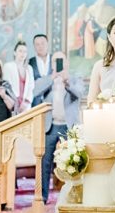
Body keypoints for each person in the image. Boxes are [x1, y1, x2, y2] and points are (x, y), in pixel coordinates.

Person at [35, 51, 83, 204]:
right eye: (55, 61)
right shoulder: (46, 80)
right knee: (45, 162)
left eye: (61, 61)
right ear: (52, 64)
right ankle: (42, 196)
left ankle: (75, 193)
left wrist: (66, 82)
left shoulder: (74, 79)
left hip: (69, 126)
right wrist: (52, 78)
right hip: (50, 126)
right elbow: (36, 91)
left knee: (73, 161)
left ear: (67, 62)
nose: (58, 64)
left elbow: (80, 93)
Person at [2, 40, 34, 114]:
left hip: (25, 105)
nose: (22, 54)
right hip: (12, 103)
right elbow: (7, 86)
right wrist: (16, 103)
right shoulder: (8, 66)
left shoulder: (29, 68)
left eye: (25, 51)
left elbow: (31, 87)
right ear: (15, 52)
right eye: (20, 51)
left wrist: (26, 102)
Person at [28, 33, 53, 107]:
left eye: (42, 43)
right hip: (35, 103)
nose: (40, 46)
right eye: (37, 44)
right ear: (34, 46)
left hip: (52, 103)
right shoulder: (29, 63)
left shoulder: (55, 59)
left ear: (47, 44)